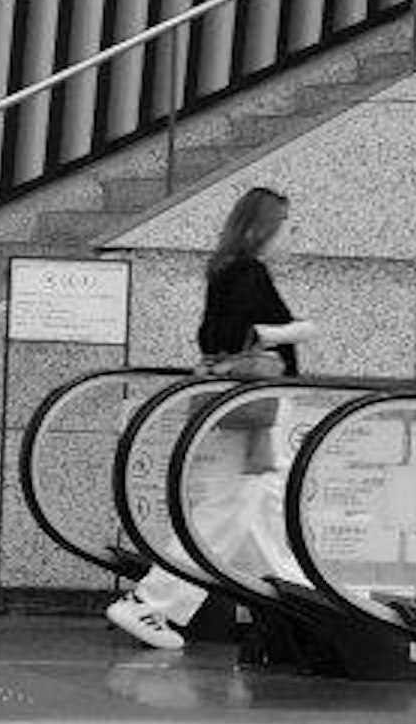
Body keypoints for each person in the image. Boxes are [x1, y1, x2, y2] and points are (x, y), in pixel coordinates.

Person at [107, 184, 320, 649]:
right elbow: (227, 333)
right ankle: (151, 602)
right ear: (266, 227)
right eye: (288, 225)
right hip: (249, 408)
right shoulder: (250, 273)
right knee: (228, 508)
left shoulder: (226, 269)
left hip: (237, 407)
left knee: (266, 509)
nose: (291, 234)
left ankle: (303, 606)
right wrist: (290, 330)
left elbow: (212, 333)